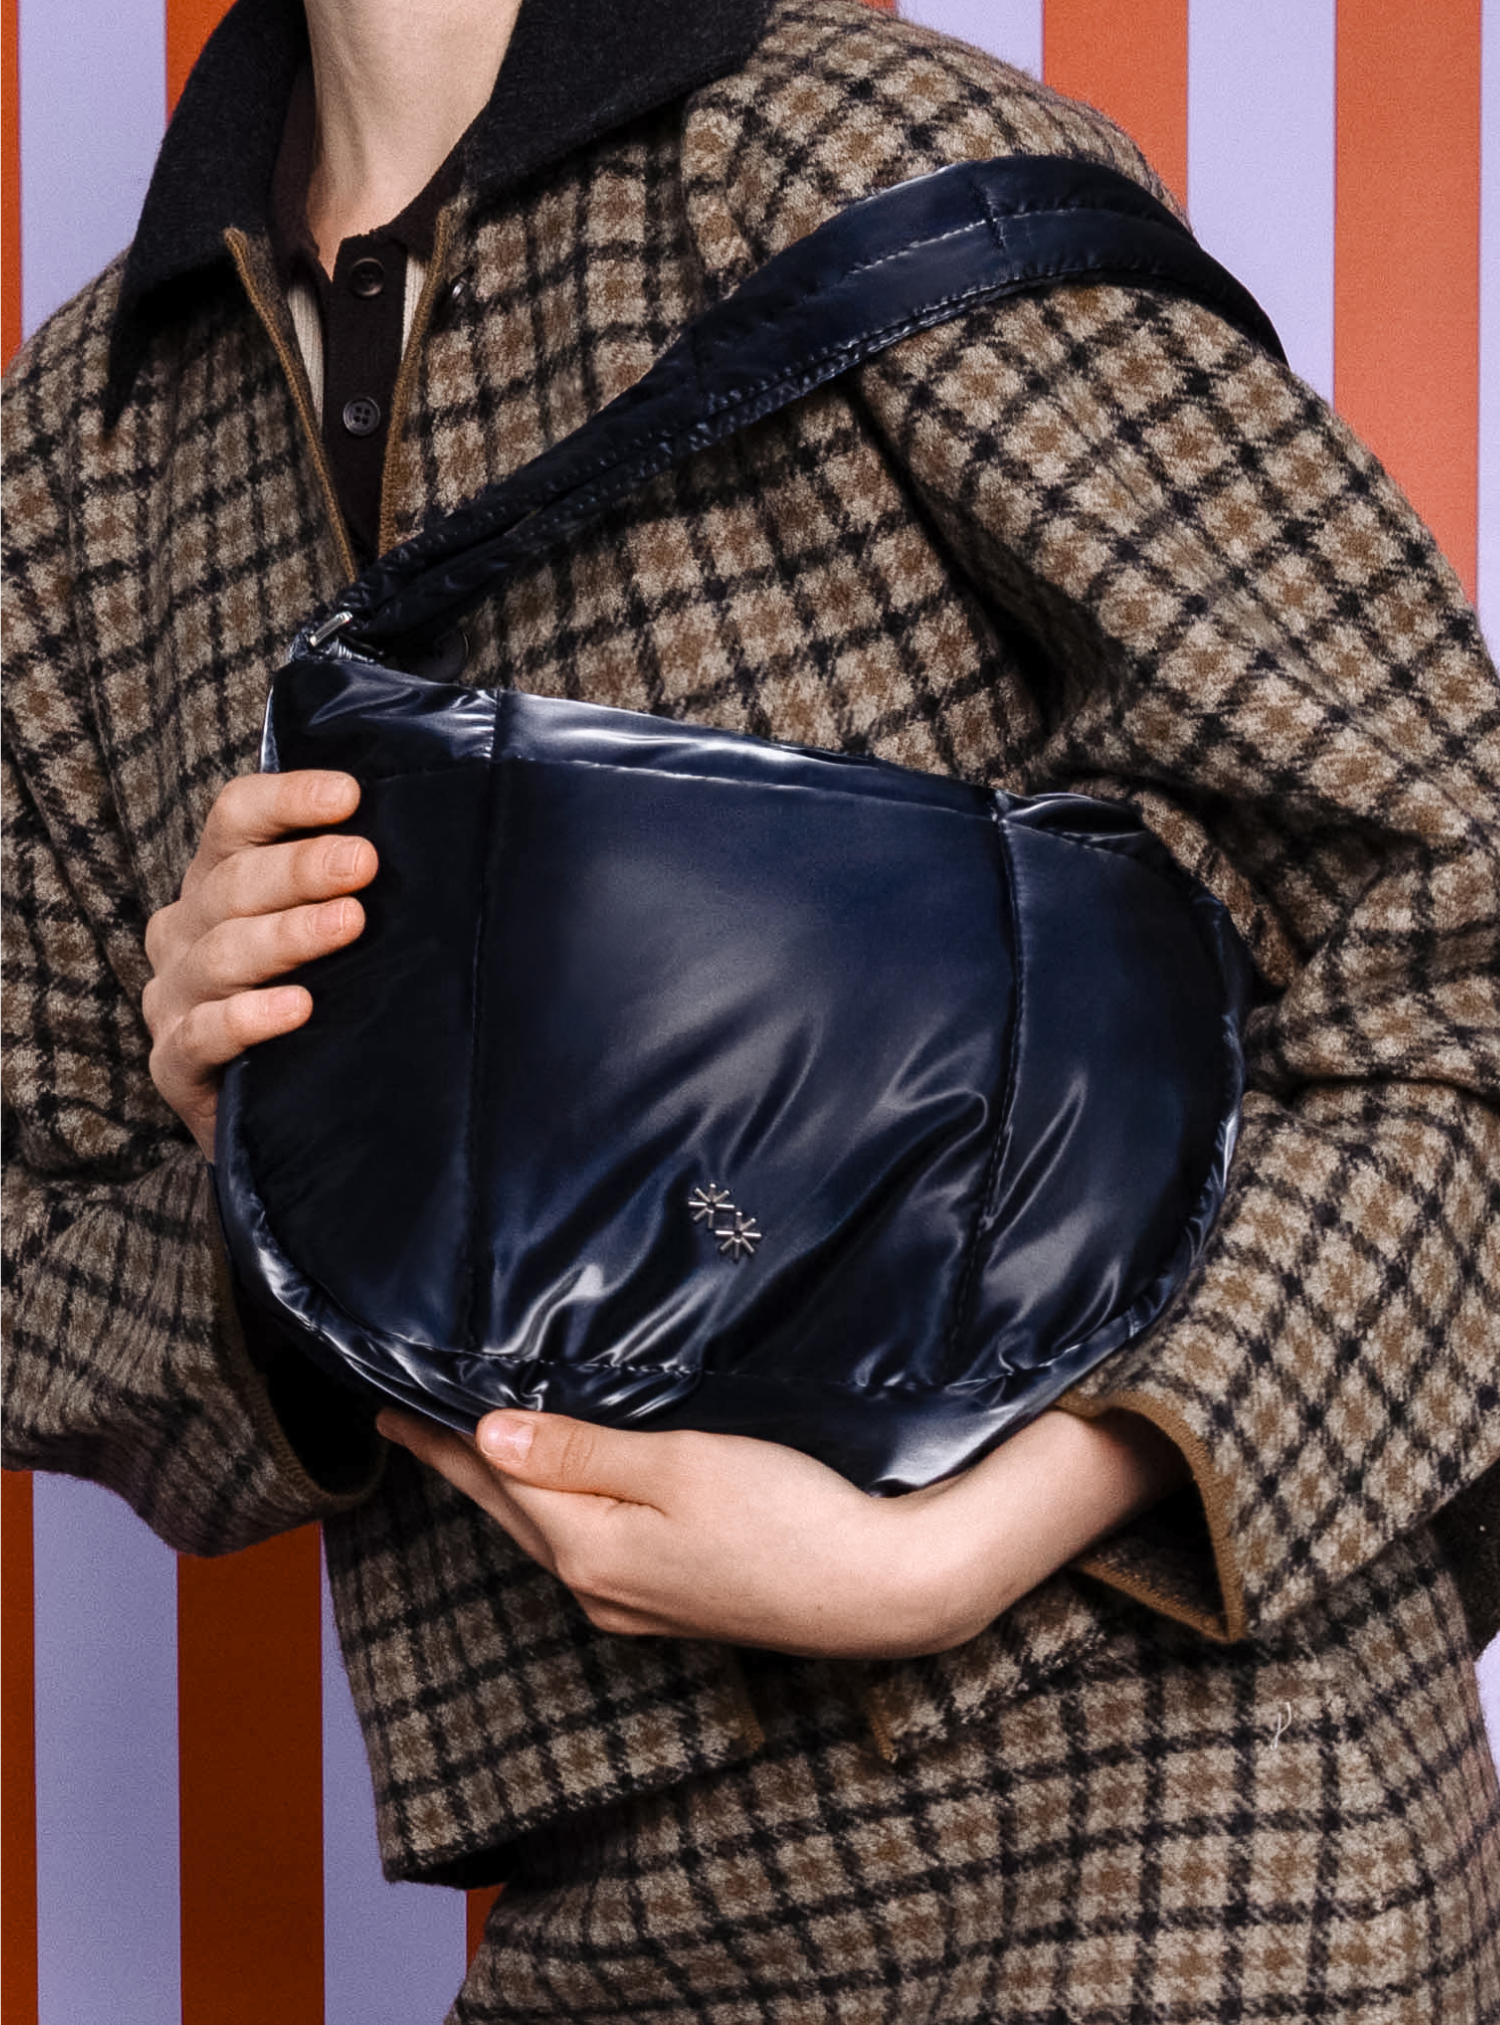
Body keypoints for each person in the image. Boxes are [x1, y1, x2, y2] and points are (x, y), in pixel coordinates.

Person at [5, 0, 1498, 2015]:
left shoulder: (856, 155)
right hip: (607, 1899)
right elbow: (33, 1270)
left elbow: (1464, 922)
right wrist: (279, 1127)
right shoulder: (79, 450)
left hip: (1181, 1811)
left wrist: (973, 1537)